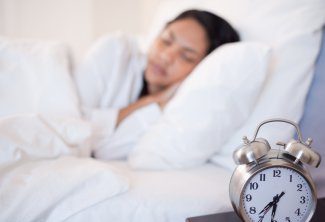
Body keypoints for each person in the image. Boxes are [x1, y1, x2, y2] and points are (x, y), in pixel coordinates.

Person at [75, 9, 240, 159]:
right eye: (166, 41)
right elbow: (71, 126)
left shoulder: (179, 110)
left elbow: (104, 152)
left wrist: (158, 105)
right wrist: (151, 100)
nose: (166, 56)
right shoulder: (117, 50)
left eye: (186, 57)